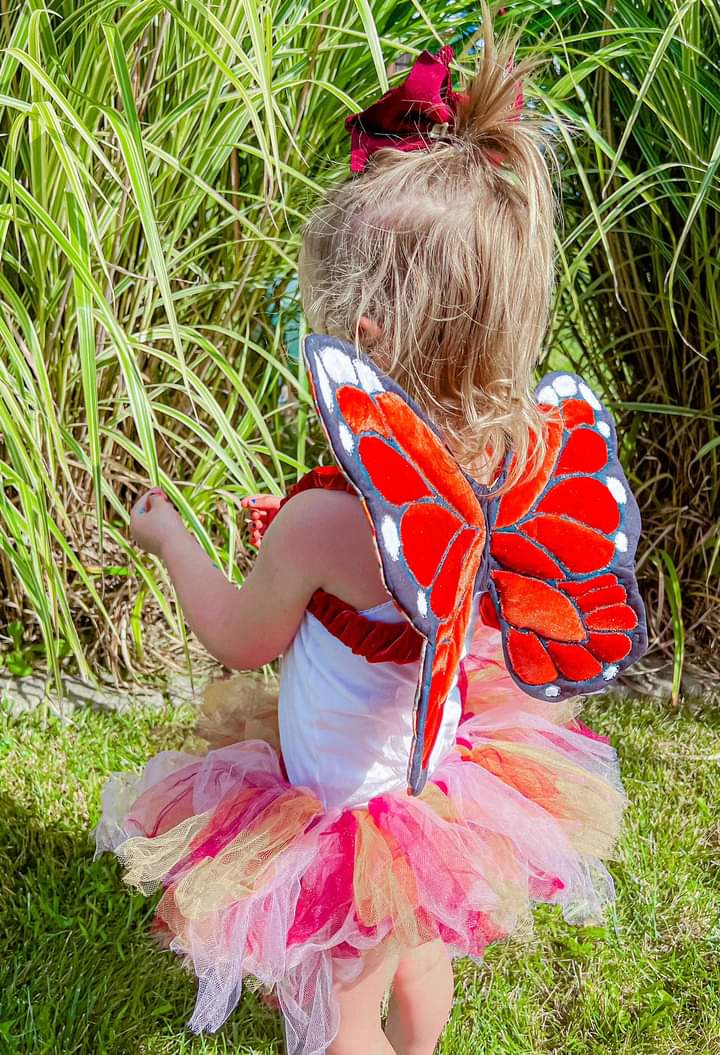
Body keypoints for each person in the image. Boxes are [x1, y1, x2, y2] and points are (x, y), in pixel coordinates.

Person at [94, 17, 646, 1055]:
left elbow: (240, 637)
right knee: (418, 940)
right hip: (434, 783)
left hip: (342, 809)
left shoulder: (322, 522)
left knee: (342, 998)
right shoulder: (508, 467)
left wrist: (171, 540)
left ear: (371, 339)